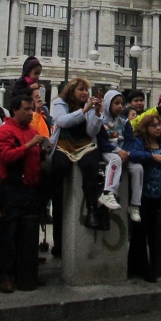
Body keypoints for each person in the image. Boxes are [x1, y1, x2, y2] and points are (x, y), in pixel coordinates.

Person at [0, 96, 46, 294]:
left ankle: (25, 272)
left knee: (28, 234)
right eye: (26, 108)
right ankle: (5, 275)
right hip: (13, 189)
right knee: (9, 234)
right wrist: (30, 145)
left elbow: (35, 157)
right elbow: (7, 156)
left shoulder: (32, 131)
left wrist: (41, 152)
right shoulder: (5, 131)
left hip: (31, 188)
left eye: (31, 108)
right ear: (15, 110)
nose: (30, 112)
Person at [50, 78, 104, 234]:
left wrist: (97, 113)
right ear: (72, 90)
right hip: (64, 144)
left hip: (85, 144)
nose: (85, 93)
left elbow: (92, 132)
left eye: (86, 90)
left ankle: (92, 210)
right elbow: (63, 121)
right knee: (60, 166)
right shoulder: (60, 103)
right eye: (81, 89)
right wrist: (84, 110)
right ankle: (45, 206)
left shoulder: (88, 106)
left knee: (90, 165)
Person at [127, 114, 161, 282]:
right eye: (153, 125)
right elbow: (133, 155)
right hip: (142, 194)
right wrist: (151, 157)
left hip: (158, 192)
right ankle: (140, 266)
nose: (157, 128)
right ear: (146, 128)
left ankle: (152, 266)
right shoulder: (140, 142)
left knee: (154, 233)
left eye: (159, 125)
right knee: (140, 232)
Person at [98, 91, 142, 221]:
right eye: (116, 103)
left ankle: (135, 205)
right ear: (108, 104)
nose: (120, 106)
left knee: (138, 168)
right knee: (115, 160)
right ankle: (108, 192)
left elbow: (129, 138)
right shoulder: (101, 120)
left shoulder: (124, 121)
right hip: (108, 151)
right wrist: (117, 151)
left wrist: (126, 152)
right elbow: (102, 141)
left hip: (123, 152)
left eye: (121, 103)